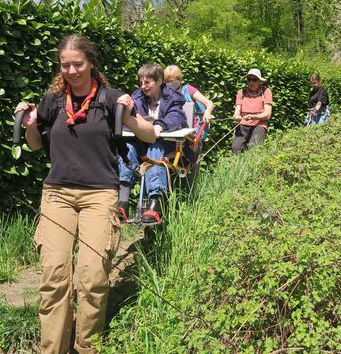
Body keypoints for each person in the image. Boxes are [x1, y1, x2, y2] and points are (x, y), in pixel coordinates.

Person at [14, 35, 155, 354]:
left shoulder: (111, 98)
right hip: (57, 195)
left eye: (78, 64)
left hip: (99, 195)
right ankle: (53, 349)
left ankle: (87, 347)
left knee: (91, 278)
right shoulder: (52, 101)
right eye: (65, 65)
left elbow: (150, 133)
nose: (72, 70)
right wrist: (30, 124)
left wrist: (131, 115)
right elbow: (36, 145)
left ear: (91, 62)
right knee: (55, 277)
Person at [117, 63, 188, 224]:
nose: (143, 86)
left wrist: (159, 125)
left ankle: (155, 203)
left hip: (167, 144)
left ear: (159, 81)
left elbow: (177, 117)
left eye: (147, 82)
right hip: (143, 142)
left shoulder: (173, 97)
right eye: (141, 82)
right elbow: (133, 117)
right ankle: (122, 202)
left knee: (155, 149)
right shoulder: (137, 97)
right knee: (127, 148)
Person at [163, 64, 215, 135]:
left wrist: (207, 112)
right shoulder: (165, 94)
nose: (170, 84)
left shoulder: (188, 90)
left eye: (172, 81)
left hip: (193, 133)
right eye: (167, 82)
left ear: (180, 79)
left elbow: (209, 103)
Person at [232, 68, 273, 154]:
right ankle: (239, 165)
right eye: (249, 79)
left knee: (253, 147)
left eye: (254, 79)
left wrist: (254, 117)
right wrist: (236, 116)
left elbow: (267, 114)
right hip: (243, 124)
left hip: (259, 124)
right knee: (236, 147)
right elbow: (237, 111)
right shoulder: (241, 92)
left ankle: (251, 166)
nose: (251, 82)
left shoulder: (266, 92)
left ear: (259, 81)